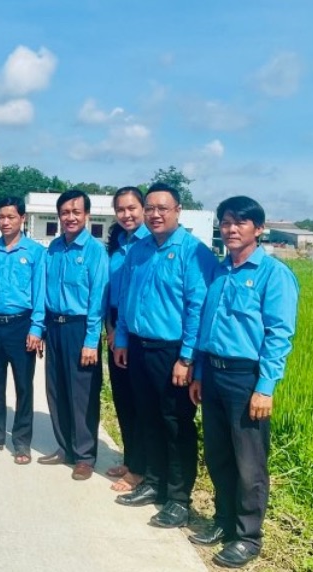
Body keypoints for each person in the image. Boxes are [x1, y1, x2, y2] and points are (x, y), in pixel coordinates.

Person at [188, 196, 298, 568]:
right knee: (218, 455)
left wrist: (265, 387)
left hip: (246, 378)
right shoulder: (220, 271)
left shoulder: (273, 274)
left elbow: (279, 334)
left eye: (240, 222)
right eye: (226, 222)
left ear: (258, 229)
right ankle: (222, 521)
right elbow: (207, 327)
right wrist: (200, 373)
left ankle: (248, 537)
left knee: (249, 462)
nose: (231, 229)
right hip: (214, 374)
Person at [113, 182, 217, 529]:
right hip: (139, 348)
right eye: (150, 208)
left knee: (176, 425)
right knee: (148, 418)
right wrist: (123, 339)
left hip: (172, 353)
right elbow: (127, 298)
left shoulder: (193, 252)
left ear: (178, 211)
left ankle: (178, 499)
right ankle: (154, 484)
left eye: (163, 208)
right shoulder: (138, 250)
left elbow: (196, 308)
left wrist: (186, 358)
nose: (155, 214)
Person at [38, 189, 107, 481]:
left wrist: (91, 341)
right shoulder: (53, 249)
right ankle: (64, 446)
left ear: (87, 216)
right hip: (55, 326)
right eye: (65, 212)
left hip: (81, 328)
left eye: (76, 212)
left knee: (82, 394)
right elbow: (42, 290)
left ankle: (84, 456)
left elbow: (98, 301)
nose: (70, 217)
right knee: (56, 389)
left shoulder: (95, 251)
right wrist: (39, 327)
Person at [0, 196, 45, 465]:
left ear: (22, 219)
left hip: (22, 325)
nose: (4, 222)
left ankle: (22, 441)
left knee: (24, 386)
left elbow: (40, 294)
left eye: (10, 217)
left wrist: (37, 328)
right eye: (1, 217)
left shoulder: (35, 252)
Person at [103, 187, 149, 492]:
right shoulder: (117, 243)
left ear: (143, 208)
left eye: (132, 208)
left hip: (140, 331)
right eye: (120, 210)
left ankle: (142, 469)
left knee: (141, 402)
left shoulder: (151, 243)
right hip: (116, 328)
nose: (126, 215)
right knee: (123, 400)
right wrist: (109, 328)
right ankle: (132, 459)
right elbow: (110, 293)